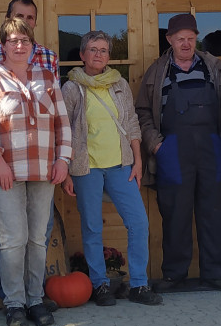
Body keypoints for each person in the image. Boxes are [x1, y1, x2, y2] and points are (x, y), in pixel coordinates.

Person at [0, 17, 72, 326]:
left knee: (38, 239)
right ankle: (14, 304)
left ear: (32, 45)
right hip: (5, 172)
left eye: (25, 41)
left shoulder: (46, 77)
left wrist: (63, 160)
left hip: (44, 170)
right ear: (2, 46)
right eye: (13, 40)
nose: (19, 46)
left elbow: (62, 124)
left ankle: (35, 299)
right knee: (13, 238)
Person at [61, 30, 163, 307]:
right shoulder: (71, 89)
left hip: (121, 165)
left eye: (103, 50)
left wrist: (138, 160)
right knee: (92, 227)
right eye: (93, 49)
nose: (98, 55)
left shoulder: (119, 84)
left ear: (109, 55)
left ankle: (139, 285)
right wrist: (67, 170)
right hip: (86, 168)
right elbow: (65, 131)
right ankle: (99, 285)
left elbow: (131, 123)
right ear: (82, 55)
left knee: (139, 223)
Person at [137, 13, 221, 292]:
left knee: (213, 212)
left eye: (191, 38)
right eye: (180, 39)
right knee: (175, 214)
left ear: (196, 39)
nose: (186, 44)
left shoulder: (214, 68)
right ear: (169, 40)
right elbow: (142, 112)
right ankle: (174, 275)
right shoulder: (157, 72)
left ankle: (215, 273)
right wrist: (156, 144)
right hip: (172, 151)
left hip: (212, 149)